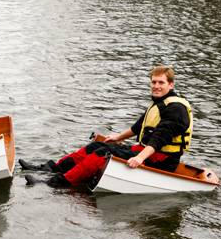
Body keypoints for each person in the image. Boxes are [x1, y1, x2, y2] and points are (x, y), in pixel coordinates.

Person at [20, 65, 192, 187]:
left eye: (161, 83)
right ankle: (50, 169)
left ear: (171, 85)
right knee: (97, 145)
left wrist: (139, 158)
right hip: (144, 152)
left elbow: (159, 139)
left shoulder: (176, 108)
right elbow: (137, 128)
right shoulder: (159, 103)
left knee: (103, 154)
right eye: (154, 82)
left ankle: (56, 183)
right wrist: (116, 138)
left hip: (161, 160)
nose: (156, 86)